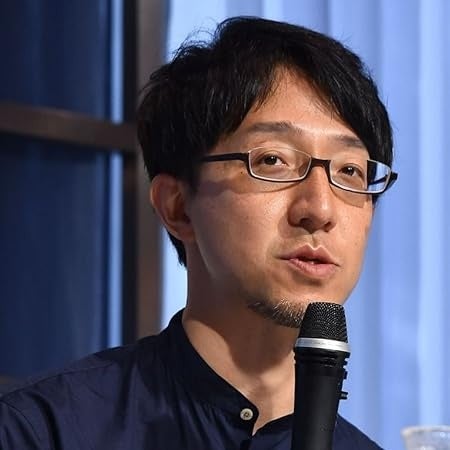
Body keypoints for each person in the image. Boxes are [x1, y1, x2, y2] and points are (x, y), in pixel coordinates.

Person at [0, 16, 397, 449]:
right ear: (177, 206)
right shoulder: (43, 431)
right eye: (272, 161)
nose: (319, 209)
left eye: (350, 171)